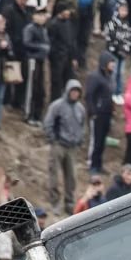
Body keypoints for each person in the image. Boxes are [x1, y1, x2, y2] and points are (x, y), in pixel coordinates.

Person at [43, 78, 85, 213]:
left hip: (72, 147)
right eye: (73, 91)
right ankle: (55, 202)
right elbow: (48, 122)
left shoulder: (80, 109)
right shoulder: (57, 106)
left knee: (71, 178)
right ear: (68, 91)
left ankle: (69, 204)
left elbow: (83, 126)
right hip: (58, 145)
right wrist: (53, 139)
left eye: (77, 92)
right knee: (54, 175)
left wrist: (80, 139)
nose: (75, 94)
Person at [85, 51, 116, 172]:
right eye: (111, 62)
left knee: (103, 141)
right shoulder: (95, 76)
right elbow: (89, 95)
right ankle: (92, 164)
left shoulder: (109, 77)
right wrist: (93, 112)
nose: (113, 64)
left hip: (107, 113)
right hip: (97, 114)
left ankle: (99, 164)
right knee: (96, 140)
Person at [23, 7, 50, 124]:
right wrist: (41, 47)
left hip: (41, 60)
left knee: (40, 89)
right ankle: (28, 114)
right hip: (32, 60)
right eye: (40, 15)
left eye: (44, 15)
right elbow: (26, 43)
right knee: (31, 88)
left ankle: (37, 116)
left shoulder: (43, 30)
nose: (42, 18)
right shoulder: (30, 28)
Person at [102, 0, 131, 97]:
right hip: (113, 53)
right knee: (113, 74)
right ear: (117, 10)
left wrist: (125, 50)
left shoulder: (127, 24)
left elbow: (128, 39)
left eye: (125, 11)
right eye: (122, 10)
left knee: (121, 74)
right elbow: (109, 38)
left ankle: (118, 93)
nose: (123, 12)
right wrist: (117, 48)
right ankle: (111, 92)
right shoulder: (112, 23)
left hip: (122, 54)